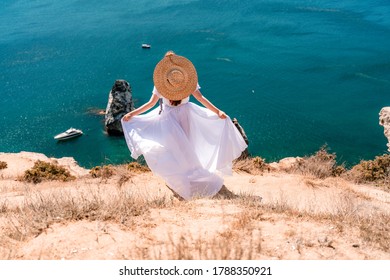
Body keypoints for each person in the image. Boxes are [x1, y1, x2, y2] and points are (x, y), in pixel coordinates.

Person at [121, 51, 248, 200]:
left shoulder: (162, 83)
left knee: (174, 149)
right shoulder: (187, 80)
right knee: (188, 147)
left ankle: (181, 178)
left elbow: (151, 104)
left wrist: (132, 114)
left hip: (168, 120)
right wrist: (217, 111)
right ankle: (189, 176)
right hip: (186, 116)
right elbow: (201, 98)